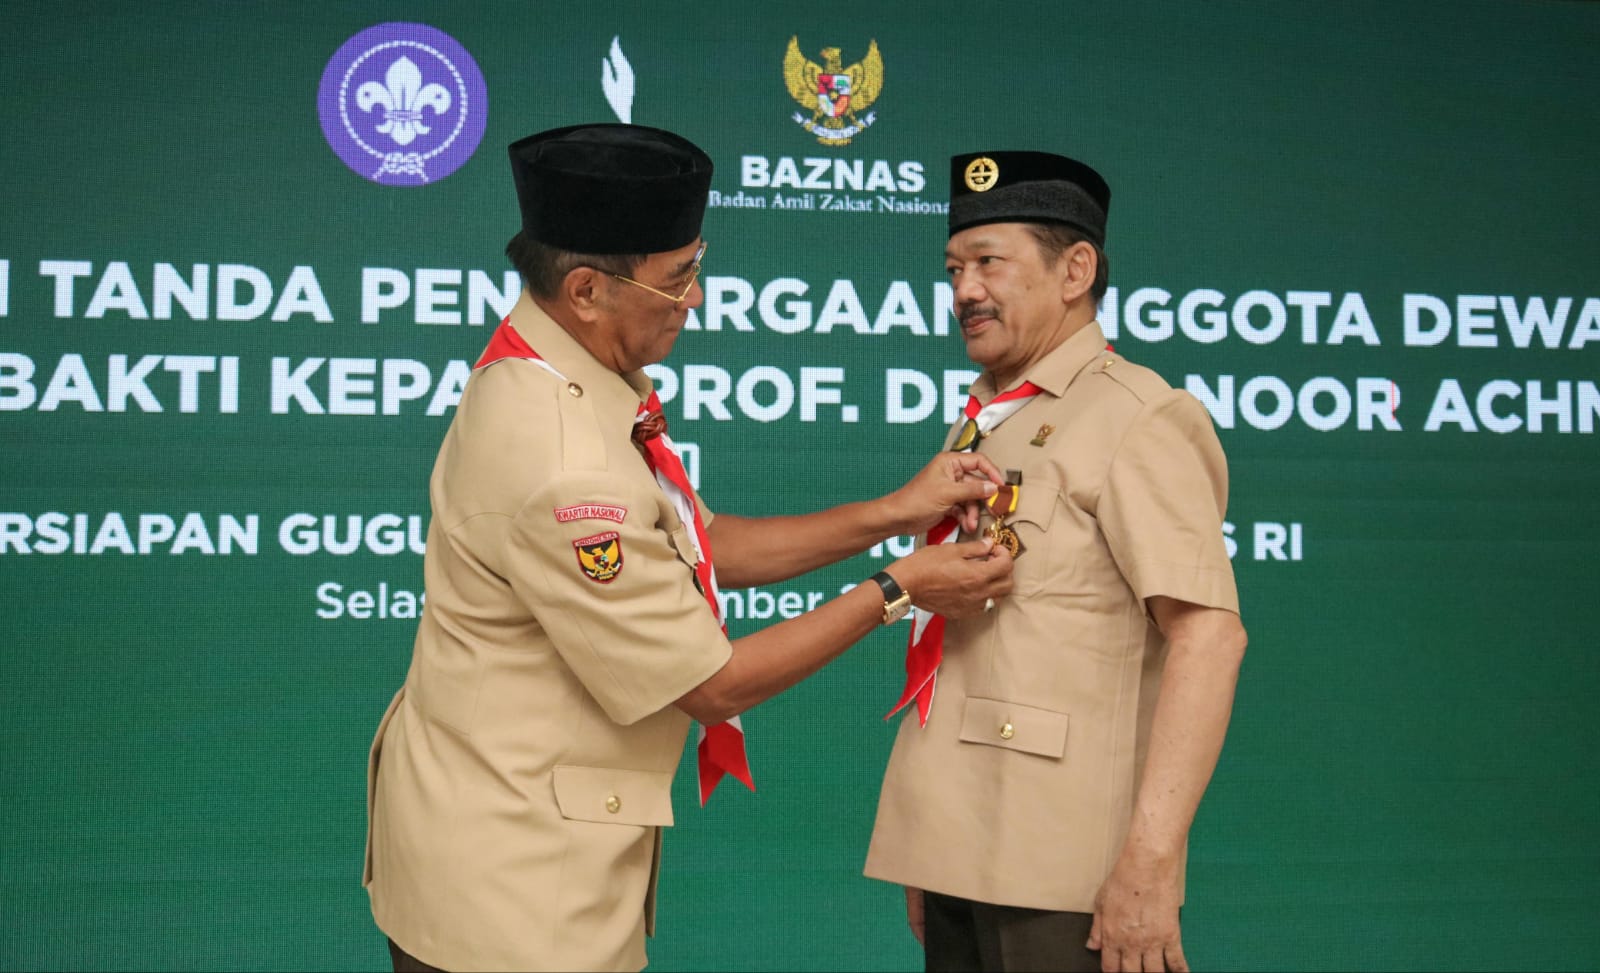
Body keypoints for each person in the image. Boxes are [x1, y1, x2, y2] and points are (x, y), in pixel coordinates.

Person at [362, 123, 1014, 973]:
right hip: (514, 886)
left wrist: (897, 509)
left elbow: (701, 545)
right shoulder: (563, 462)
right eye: (678, 280)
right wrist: (900, 590)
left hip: (497, 822)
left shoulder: (569, 369)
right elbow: (712, 683)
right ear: (589, 289)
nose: (696, 299)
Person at [863, 150, 1248, 973]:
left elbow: (1209, 639)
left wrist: (1148, 862)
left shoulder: (1139, 416)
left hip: (1070, 872)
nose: (965, 290)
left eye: (989, 263)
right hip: (966, 851)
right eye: (954, 268)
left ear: (1076, 270)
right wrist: (938, 843)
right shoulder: (989, 423)